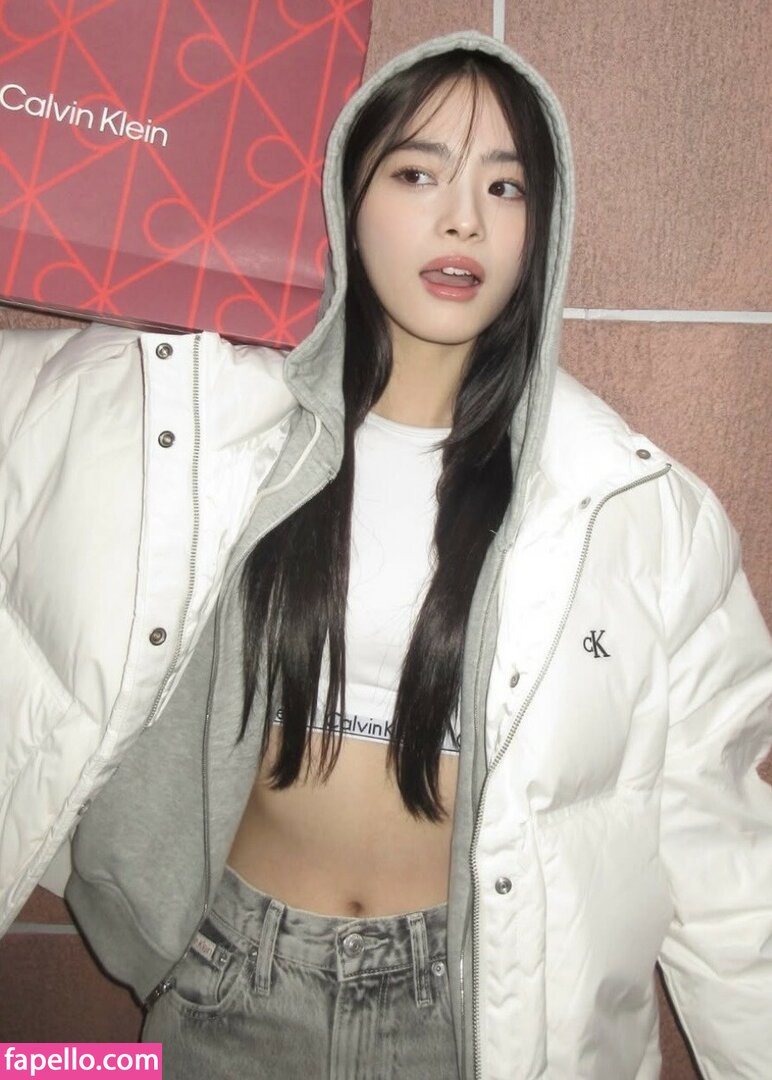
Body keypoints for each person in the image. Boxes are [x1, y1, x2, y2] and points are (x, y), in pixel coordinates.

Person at [1, 29, 771, 1080]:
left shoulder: (634, 510)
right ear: (345, 197)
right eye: (417, 173)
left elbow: (721, 852)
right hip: (228, 985)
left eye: (505, 186)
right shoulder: (196, 424)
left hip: (476, 1013)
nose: (464, 218)